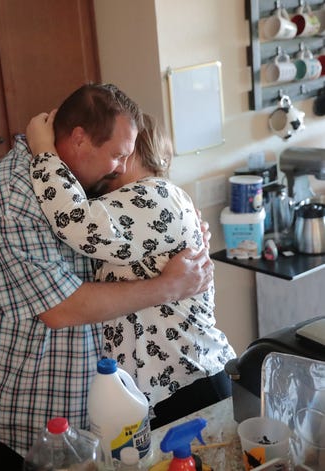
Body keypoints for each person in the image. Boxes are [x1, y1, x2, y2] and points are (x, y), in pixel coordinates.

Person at [0, 83, 214, 469]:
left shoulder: (76, 188)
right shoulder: (14, 195)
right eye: (117, 155)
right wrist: (169, 286)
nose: (120, 166)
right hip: (6, 419)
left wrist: (185, 233)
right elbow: (61, 309)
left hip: (72, 420)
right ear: (80, 139)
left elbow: (129, 229)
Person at [27, 111, 236, 429]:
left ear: (133, 147)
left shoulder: (156, 196)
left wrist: (43, 150)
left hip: (190, 383)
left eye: (115, 148)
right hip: (158, 392)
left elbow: (73, 220)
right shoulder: (129, 202)